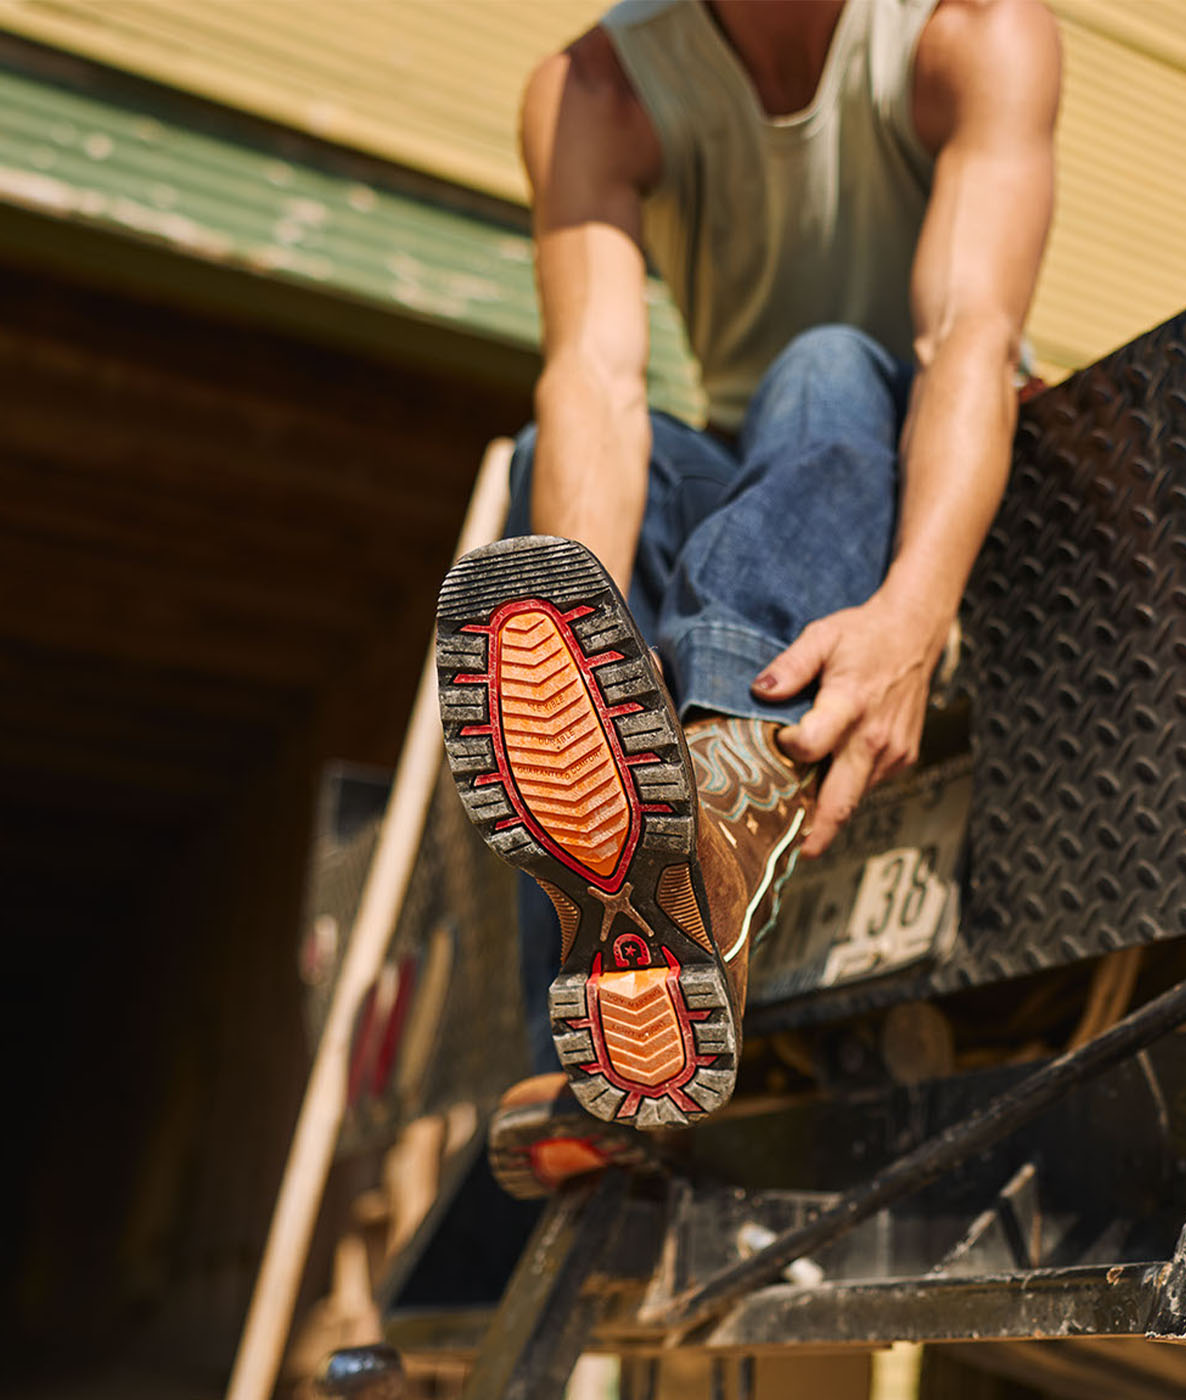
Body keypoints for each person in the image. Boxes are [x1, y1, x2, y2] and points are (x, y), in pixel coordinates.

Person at [436, 0, 1060, 1192]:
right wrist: (589, 675)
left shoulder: (968, 31)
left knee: (823, 359)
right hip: (764, 482)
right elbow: (596, 386)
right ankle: (605, 1005)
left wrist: (914, 617)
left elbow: (968, 339)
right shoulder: (596, 89)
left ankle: (723, 793)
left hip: (931, 467)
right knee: (547, 476)